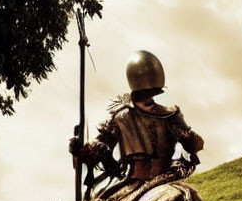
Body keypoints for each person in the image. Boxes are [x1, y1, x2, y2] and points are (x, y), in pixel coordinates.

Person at [70, 49, 203, 190]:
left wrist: (189, 139)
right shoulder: (122, 117)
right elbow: (99, 144)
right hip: (134, 185)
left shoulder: (170, 115)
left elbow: (195, 144)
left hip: (166, 180)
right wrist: (83, 149)